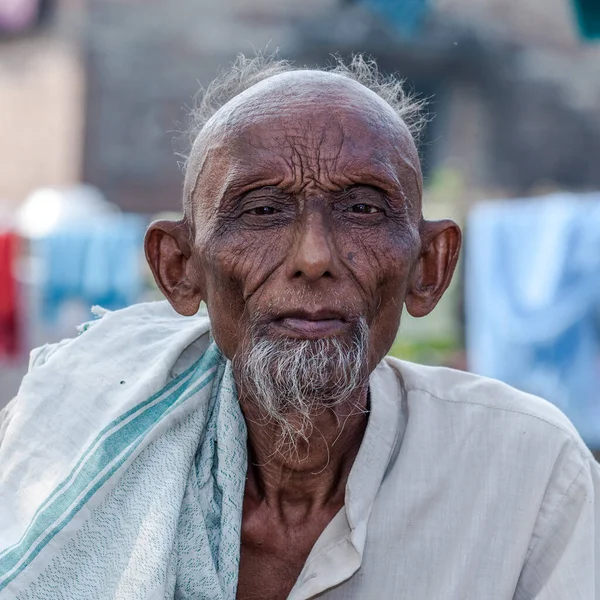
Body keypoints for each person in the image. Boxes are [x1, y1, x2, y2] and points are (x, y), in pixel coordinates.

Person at [0, 55, 598, 600]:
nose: (314, 255)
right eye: (262, 210)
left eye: (362, 208)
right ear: (179, 269)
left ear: (429, 267)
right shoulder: (70, 442)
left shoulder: (530, 470)